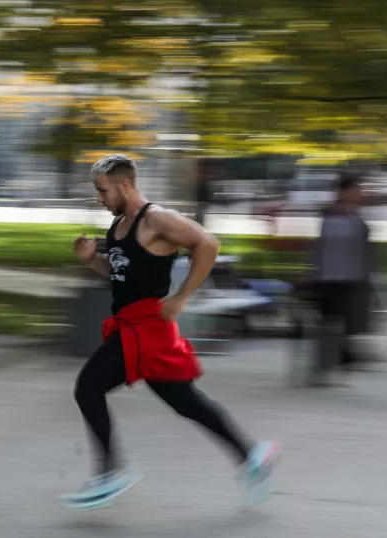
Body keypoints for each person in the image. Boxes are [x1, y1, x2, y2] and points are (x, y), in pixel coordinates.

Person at [62, 154, 281, 510]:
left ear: (126, 185)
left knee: (88, 388)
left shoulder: (157, 218)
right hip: (132, 325)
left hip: (147, 327)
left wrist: (182, 296)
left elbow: (208, 244)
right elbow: (121, 276)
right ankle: (252, 455)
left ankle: (111, 472)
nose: (99, 198)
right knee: (186, 402)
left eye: (102, 191)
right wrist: (92, 260)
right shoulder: (119, 224)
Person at [308, 172, 376, 385]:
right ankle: (332, 363)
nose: (360, 194)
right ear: (343, 192)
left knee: (348, 325)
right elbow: (322, 248)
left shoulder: (356, 217)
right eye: (355, 191)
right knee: (331, 325)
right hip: (330, 278)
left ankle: (341, 359)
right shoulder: (332, 216)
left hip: (352, 278)